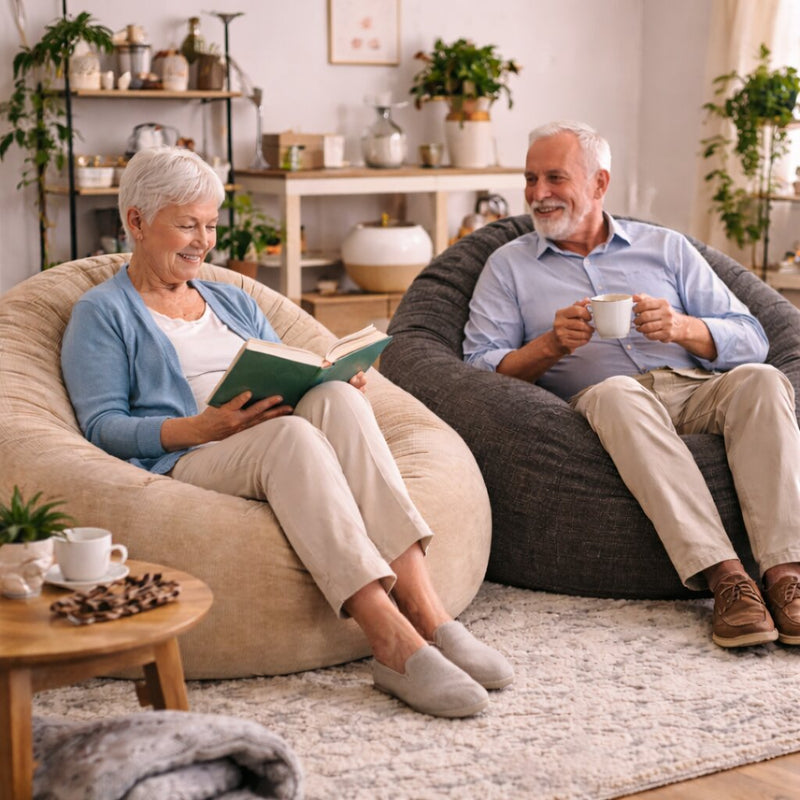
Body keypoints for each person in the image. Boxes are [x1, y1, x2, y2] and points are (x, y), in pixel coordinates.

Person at [61, 146, 512, 717]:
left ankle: (431, 616)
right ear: (137, 221)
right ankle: (391, 642)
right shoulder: (102, 313)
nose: (203, 242)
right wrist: (199, 427)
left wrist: (333, 378)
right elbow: (102, 428)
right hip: (192, 455)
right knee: (291, 438)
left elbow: (285, 367)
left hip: (269, 433)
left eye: (210, 226)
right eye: (187, 225)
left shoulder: (231, 299)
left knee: (336, 399)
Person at [463, 120, 800, 649]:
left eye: (555, 177)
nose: (538, 193)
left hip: (693, 387)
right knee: (618, 392)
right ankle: (728, 579)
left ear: (599, 182)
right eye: (530, 178)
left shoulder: (666, 248)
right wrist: (550, 346)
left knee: (763, 380)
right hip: (605, 402)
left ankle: (786, 576)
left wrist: (684, 328)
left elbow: (753, 338)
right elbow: (477, 370)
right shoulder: (507, 267)